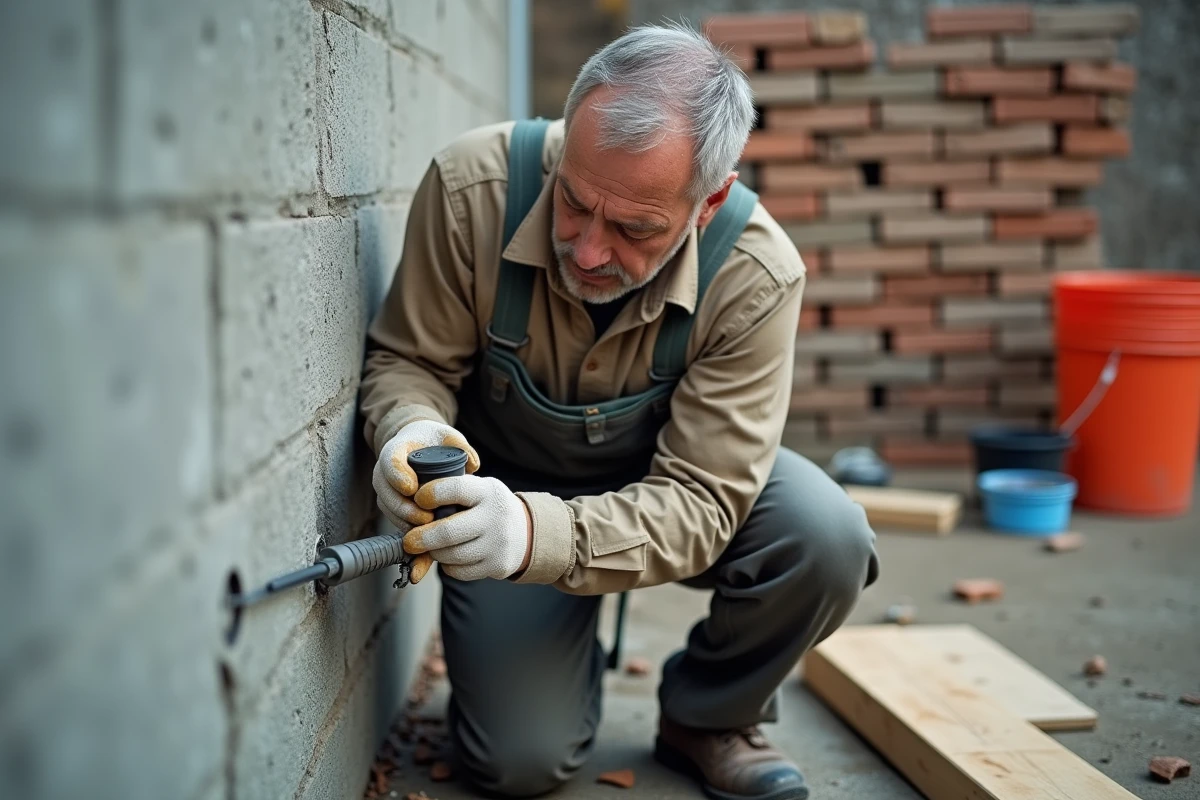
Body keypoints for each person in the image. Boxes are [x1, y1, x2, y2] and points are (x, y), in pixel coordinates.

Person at [360, 22, 879, 800]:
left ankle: (711, 715)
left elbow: (704, 497)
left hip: (661, 482)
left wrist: (539, 536)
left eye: (636, 228)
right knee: (518, 765)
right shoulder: (473, 191)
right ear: (568, 141)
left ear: (708, 203)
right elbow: (411, 361)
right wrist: (410, 428)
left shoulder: (756, 275)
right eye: (572, 202)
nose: (589, 250)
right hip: (502, 488)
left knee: (824, 536)